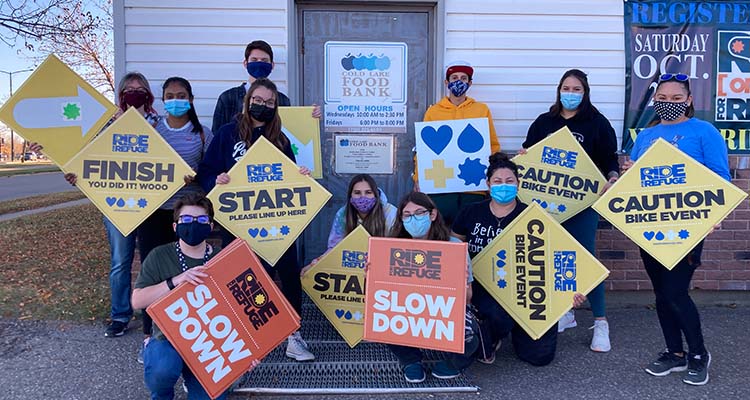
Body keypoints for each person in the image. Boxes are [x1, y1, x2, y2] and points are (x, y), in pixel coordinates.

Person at [29, 72, 161, 339]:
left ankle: (155, 318)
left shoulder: (160, 124)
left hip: (151, 204)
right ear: (121, 94)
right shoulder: (106, 125)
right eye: (129, 88)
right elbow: (82, 156)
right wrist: (54, 153)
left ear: (148, 94)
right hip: (116, 207)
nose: (134, 92)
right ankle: (120, 315)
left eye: (140, 88)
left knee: (151, 262)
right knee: (120, 262)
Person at [198, 78, 315, 362]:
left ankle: (293, 336)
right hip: (237, 220)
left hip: (276, 222)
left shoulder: (280, 138)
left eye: (269, 102)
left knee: (288, 274)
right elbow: (206, 170)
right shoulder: (227, 134)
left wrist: (301, 176)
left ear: (276, 107)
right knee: (243, 278)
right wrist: (216, 179)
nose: (263, 106)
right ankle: (247, 336)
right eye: (258, 100)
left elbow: (288, 174)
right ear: (248, 99)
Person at [626, 73, 729, 386]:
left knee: (675, 292)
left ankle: (698, 354)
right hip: (650, 229)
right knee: (661, 294)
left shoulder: (704, 132)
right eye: (662, 98)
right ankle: (674, 353)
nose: (668, 103)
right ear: (655, 101)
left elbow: (720, 178)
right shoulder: (646, 136)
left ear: (689, 101)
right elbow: (635, 178)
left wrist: (714, 216)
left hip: (686, 229)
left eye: (675, 98)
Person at [451, 152, 586, 365]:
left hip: (527, 291)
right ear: (488, 184)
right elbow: (454, 249)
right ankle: (492, 338)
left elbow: (555, 257)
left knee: (540, 357)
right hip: (482, 290)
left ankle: (516, 329)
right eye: (497, 181)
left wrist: (570, 292)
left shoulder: (533, 216)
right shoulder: (470, 212)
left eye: (509, 181)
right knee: (494, 317)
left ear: (518, 184)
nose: (503, 186)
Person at [522, 68, 619, 353]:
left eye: (577, 89)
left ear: (585, 92)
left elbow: (609, 160)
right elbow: (529, 153)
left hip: (583, 203)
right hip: (548, 205)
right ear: (559, 90)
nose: (571, 93)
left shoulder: (597, 123)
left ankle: (600, 321)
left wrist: (612, 178)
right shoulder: (545, 122)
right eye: (567, 88)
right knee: (556, 258)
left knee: (586, 259)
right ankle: (567, 311)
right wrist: (524, 156)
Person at [132, 193, 256, 399]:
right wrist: (177, 281)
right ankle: (161, 394)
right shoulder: (159, 255)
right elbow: (138, 301)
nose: (193, 225)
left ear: (210, 226)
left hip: (213, 345)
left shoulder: (224, 259)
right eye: (187, 220)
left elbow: (243, 309)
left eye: (201, 220)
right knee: (162, 371)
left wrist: (247, 352)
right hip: (168, 338)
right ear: (175, 226)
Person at [135, 76, 214, 363]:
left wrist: (201, 177)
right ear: (163, 99)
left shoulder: (203, 133)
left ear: (190, 99)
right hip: (154, 211)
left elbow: (210, 169)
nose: (176, 99)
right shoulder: (150, 128)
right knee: (153, 272)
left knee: (188, 272)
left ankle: (188, 332)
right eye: (170, 95)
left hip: (189, 213)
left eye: (181, 95)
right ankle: (149, 338)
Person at [384, 191, 479, 383]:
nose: (414, 219)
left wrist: (461, 283)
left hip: (443, 312)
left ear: (433, 214)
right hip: (410, 310)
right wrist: (371, 271)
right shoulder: (392, 248)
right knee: (384, 318)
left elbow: (468, 298)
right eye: (408, 215)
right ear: (401, 219)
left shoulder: (453, 246)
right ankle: (411, 361)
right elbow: (381, 294)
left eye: (419, 213)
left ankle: (453, 363)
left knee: (470, 337)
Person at [414, 60, 500, 225]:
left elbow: (492, 145)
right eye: (454, 77)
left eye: (463, 78)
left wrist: (493, 176)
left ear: (470, 83)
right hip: (440, 185)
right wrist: (419, 177)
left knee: (471, 229)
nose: (458, 81)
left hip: (473, 187)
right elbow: (423, 150)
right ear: (447, 82)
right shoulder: (433, 112)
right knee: (440, 230)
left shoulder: (481, 110)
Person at [212, 39, 321, 133]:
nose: (259, 63)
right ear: (245, 63)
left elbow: (289, 131)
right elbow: (217, 136)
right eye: (254, 60)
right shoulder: (227, 98)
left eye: (264, 60)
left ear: (272, 65)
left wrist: (310, 117)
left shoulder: (282, 100)